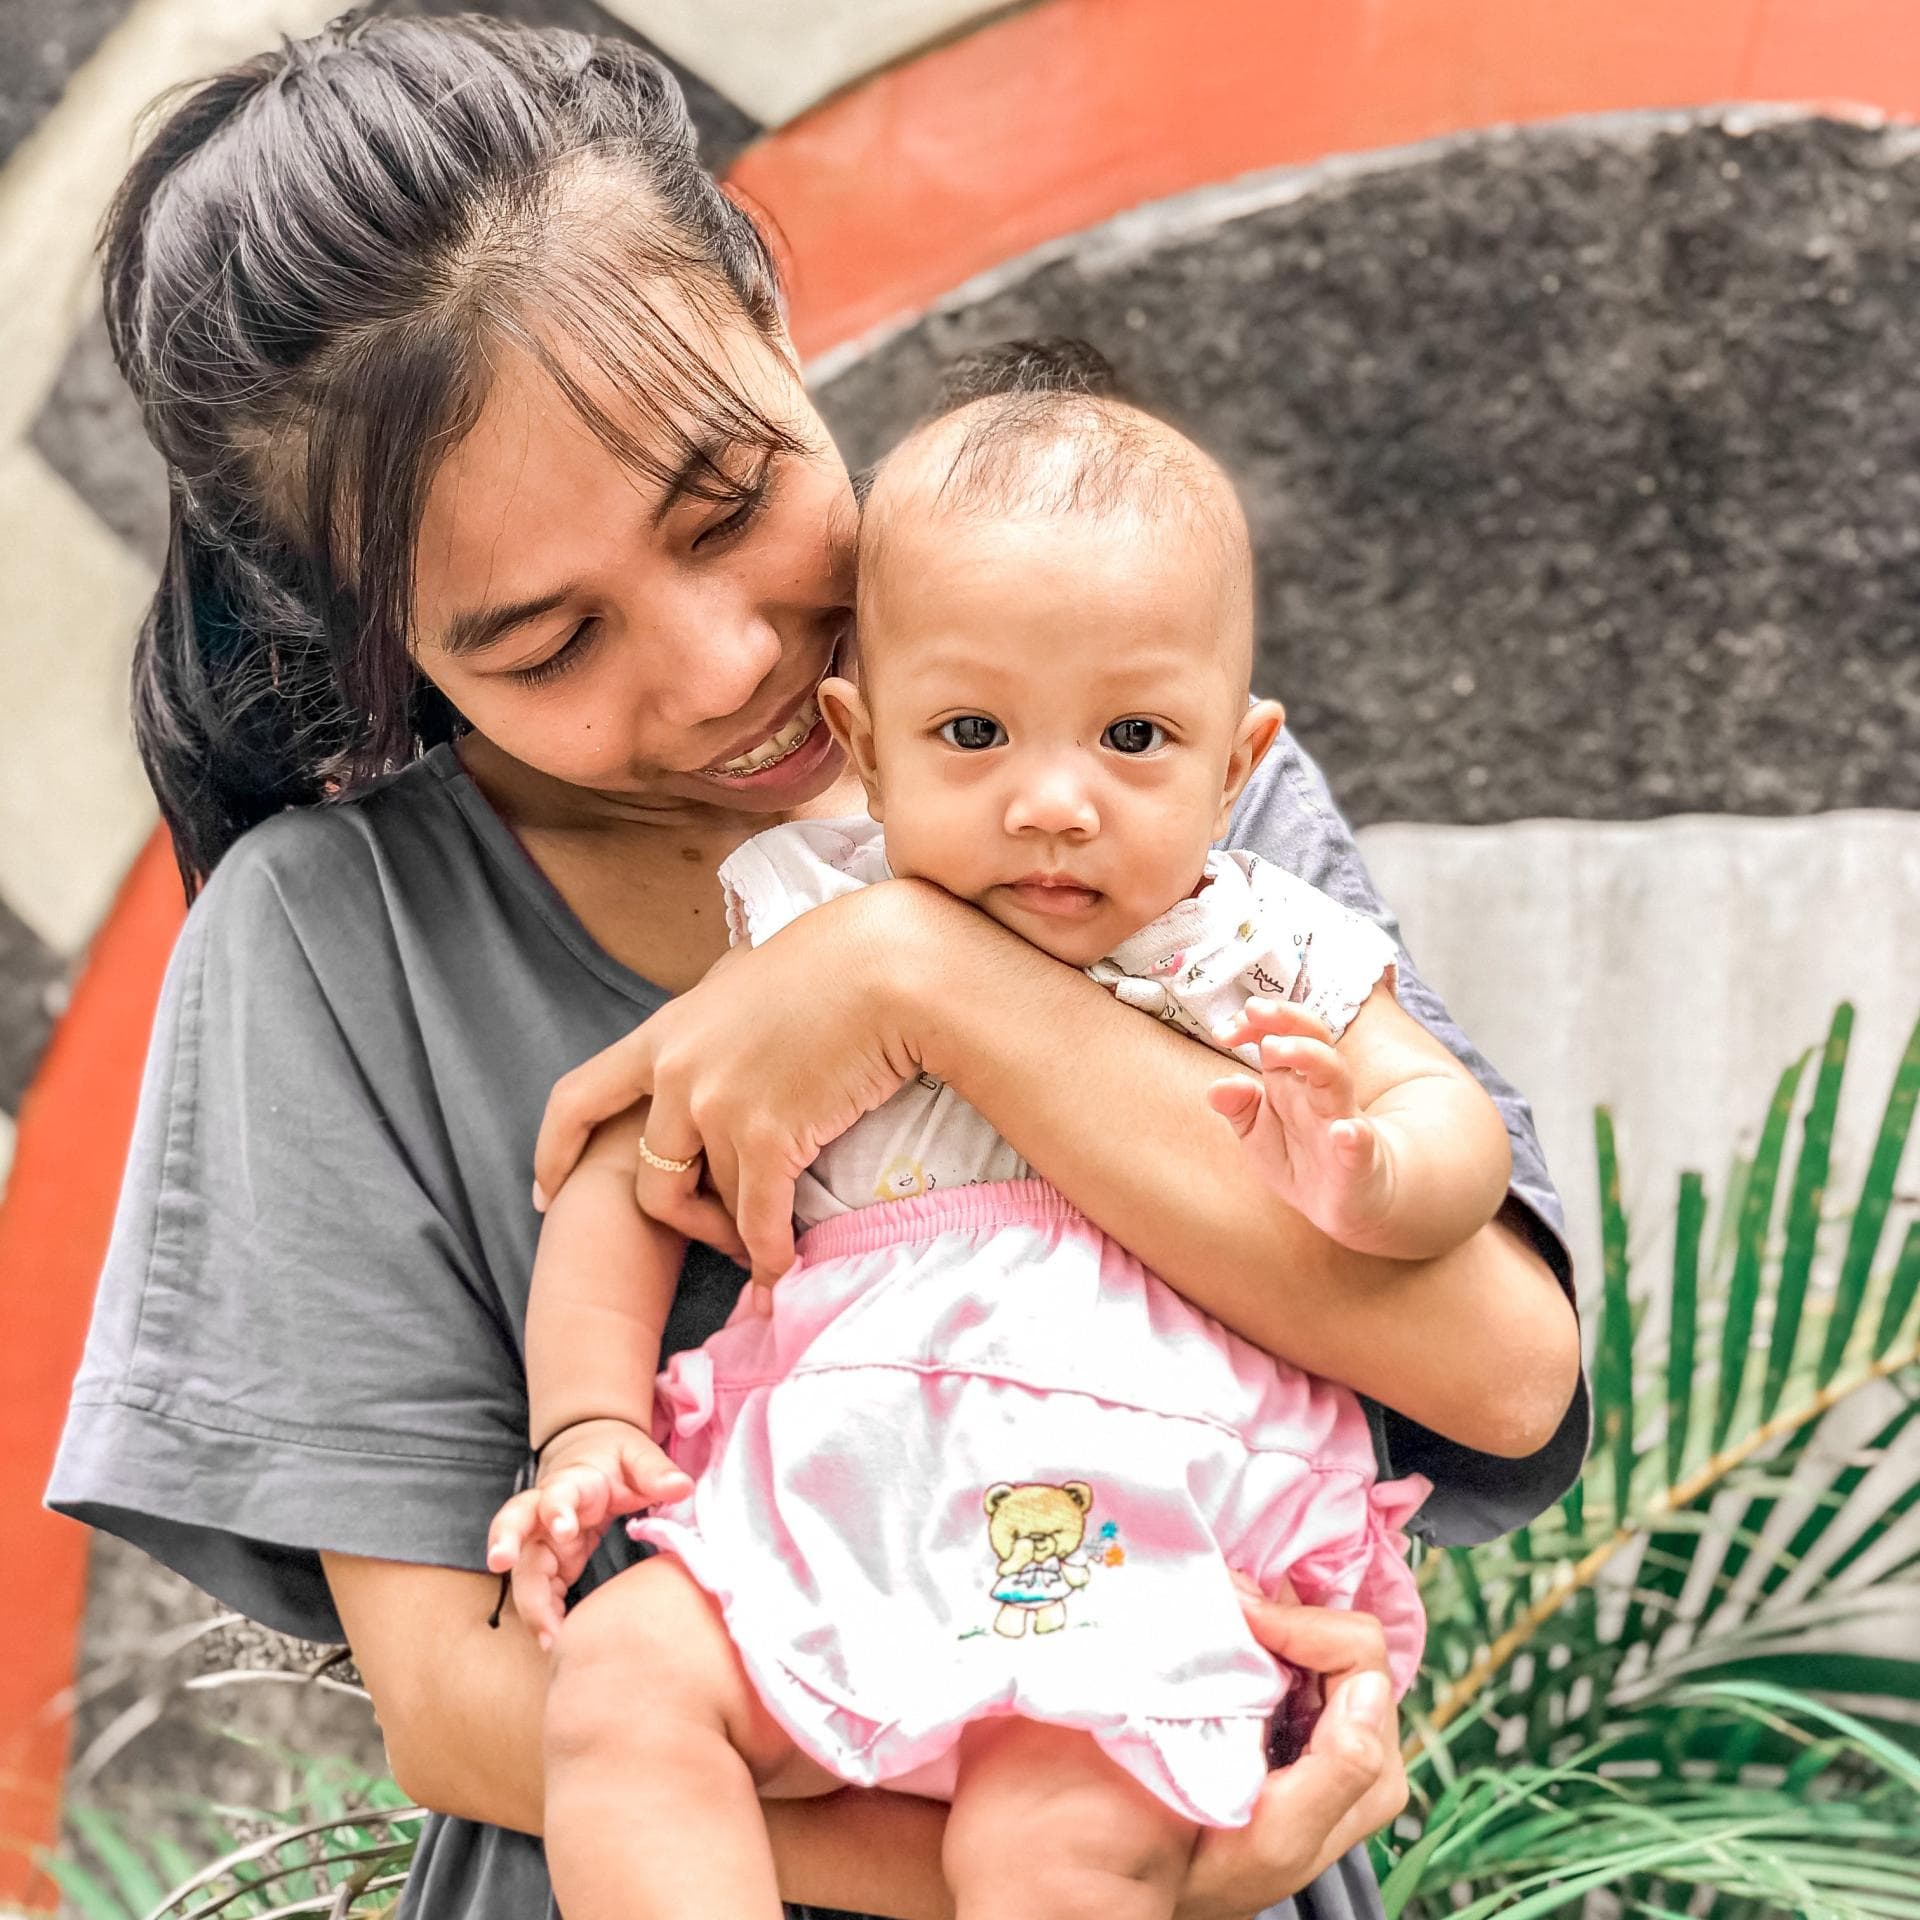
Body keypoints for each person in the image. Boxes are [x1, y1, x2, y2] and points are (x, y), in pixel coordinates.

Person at [43, 17, 1585, 1920]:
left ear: (775, 308)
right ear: (384, 649)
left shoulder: (1107, 768)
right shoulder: (333, 947)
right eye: (543, 644)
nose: (715, 666)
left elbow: (1501, 1369)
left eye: (725, 503)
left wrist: (910, 977)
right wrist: (1090, 1870)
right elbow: (452, 1707)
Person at [491, 366, 1521, 1920]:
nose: (1053, 802)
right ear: (869, 739)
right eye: (974, 731)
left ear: (1238, 768)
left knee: (1056, 1843)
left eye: (1133, 736)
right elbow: (630, 1174)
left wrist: (1374, 1171)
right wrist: (581, 1426)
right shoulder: (800, 931)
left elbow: (1449, 1127)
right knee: (627, 1684)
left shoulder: (1252, 944)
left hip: (1134, 1536)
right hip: (838, 1505)